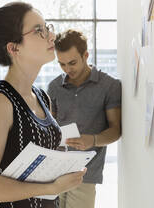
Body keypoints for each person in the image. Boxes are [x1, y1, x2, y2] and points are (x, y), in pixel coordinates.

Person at [0, 1, 86, 208]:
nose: (51, 36)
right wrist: (51, 188)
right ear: (14, 48)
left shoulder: (42, 96)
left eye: (47, 27)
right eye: (38, 31)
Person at [47, 29, 122, 208]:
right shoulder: (54, 87)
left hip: (85, 174)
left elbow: (116, 130)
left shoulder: (109, 86)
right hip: (55, 170)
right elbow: (50, 127)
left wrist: (93, 140)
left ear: (86, 55)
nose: (67, 69)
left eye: (72, 62)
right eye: (62, 64)